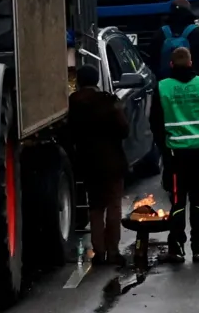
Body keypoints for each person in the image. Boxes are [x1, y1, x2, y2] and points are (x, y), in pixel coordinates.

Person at [67, 54, 132, 268]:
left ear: (79, 81)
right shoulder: (109, 101)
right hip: (112, 162)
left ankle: (100, 251)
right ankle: (113, 250)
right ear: (96, 81)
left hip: (88, 164)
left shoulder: (72, 105)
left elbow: (69, 135)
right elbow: (124, 130)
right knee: (114, 206)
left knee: (95, 208)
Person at [159, 42, 199, 261]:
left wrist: (164, 147)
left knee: (177, 201)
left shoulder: (163, 87)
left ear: (171, 64)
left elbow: (156, 121)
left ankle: (176, 247)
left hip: (175, 155)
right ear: (191, 63)